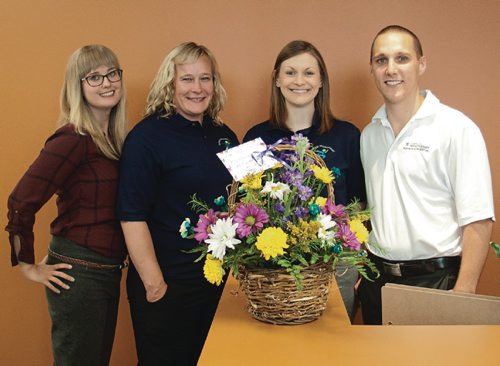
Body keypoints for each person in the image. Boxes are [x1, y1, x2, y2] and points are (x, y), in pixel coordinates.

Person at [358, 25, 495, 325]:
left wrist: (464, 291)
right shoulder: (369, 135)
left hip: (436, 283)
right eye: (381, 60)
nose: (391, 69)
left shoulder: (456, 129)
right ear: (372, 68)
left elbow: (479, 219)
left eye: (402, 58)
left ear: (421, 64)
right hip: (377, 282)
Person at [5, 45, 128, 365]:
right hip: (80, 275)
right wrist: (27, 264)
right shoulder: (74, 137)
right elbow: (20, 201)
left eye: (112, 73)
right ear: (78, 86)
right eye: (94, 77)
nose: (107, 82)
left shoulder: (113, 139)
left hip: (107, 272)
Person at [117, 42, 238, 365]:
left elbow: (248, 201)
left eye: (205, 78)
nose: (197, 88)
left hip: (219, 287)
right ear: (169, 85)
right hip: (170, 287)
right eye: (187, 79)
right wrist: (155, 284)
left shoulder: (225, 135)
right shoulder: (146, 138)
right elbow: (131, 216)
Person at [244, 40, 366, 322]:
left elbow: (359, 204)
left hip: (337, 265)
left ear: (321, 80)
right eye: (290, 72)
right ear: (276, 79)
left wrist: (356, 264)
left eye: (309, 73)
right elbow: (246, 205)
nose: (300, 81)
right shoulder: (255, 138)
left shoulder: (347, 136)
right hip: (273, 266)